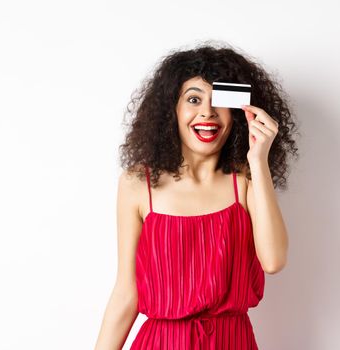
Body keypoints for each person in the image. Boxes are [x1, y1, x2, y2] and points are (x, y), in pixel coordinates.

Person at [94, 41, 299, 350]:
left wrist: (258, 161)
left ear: (237, 113)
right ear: (171, 111)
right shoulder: (138, 184)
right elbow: (127, 292)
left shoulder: (245, 180)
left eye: (219, 101)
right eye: (193, 99)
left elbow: (273, 261)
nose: (207, 112)